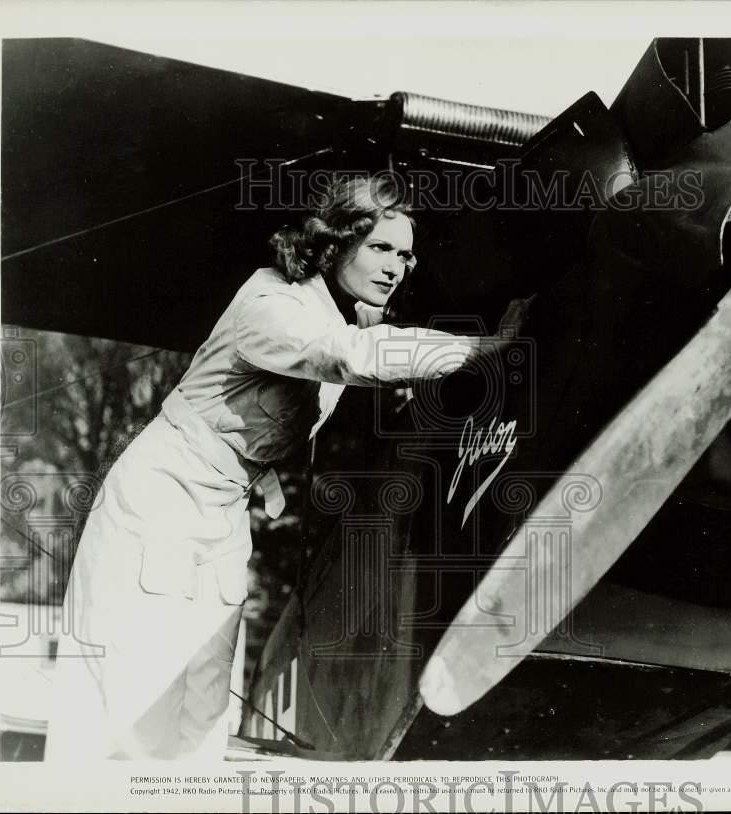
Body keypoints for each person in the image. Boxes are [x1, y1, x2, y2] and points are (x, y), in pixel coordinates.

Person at [45, 175, 527, 760]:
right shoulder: (271, 303)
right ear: (335, 242)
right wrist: (484, 347)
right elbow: (349, 356)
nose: (395, 267)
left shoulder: (334, 312)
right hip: (162, 501)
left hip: (223, 509)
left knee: (202, 704)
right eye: (379, 248)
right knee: (131, 698)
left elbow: (361, 345)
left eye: (404, 254)